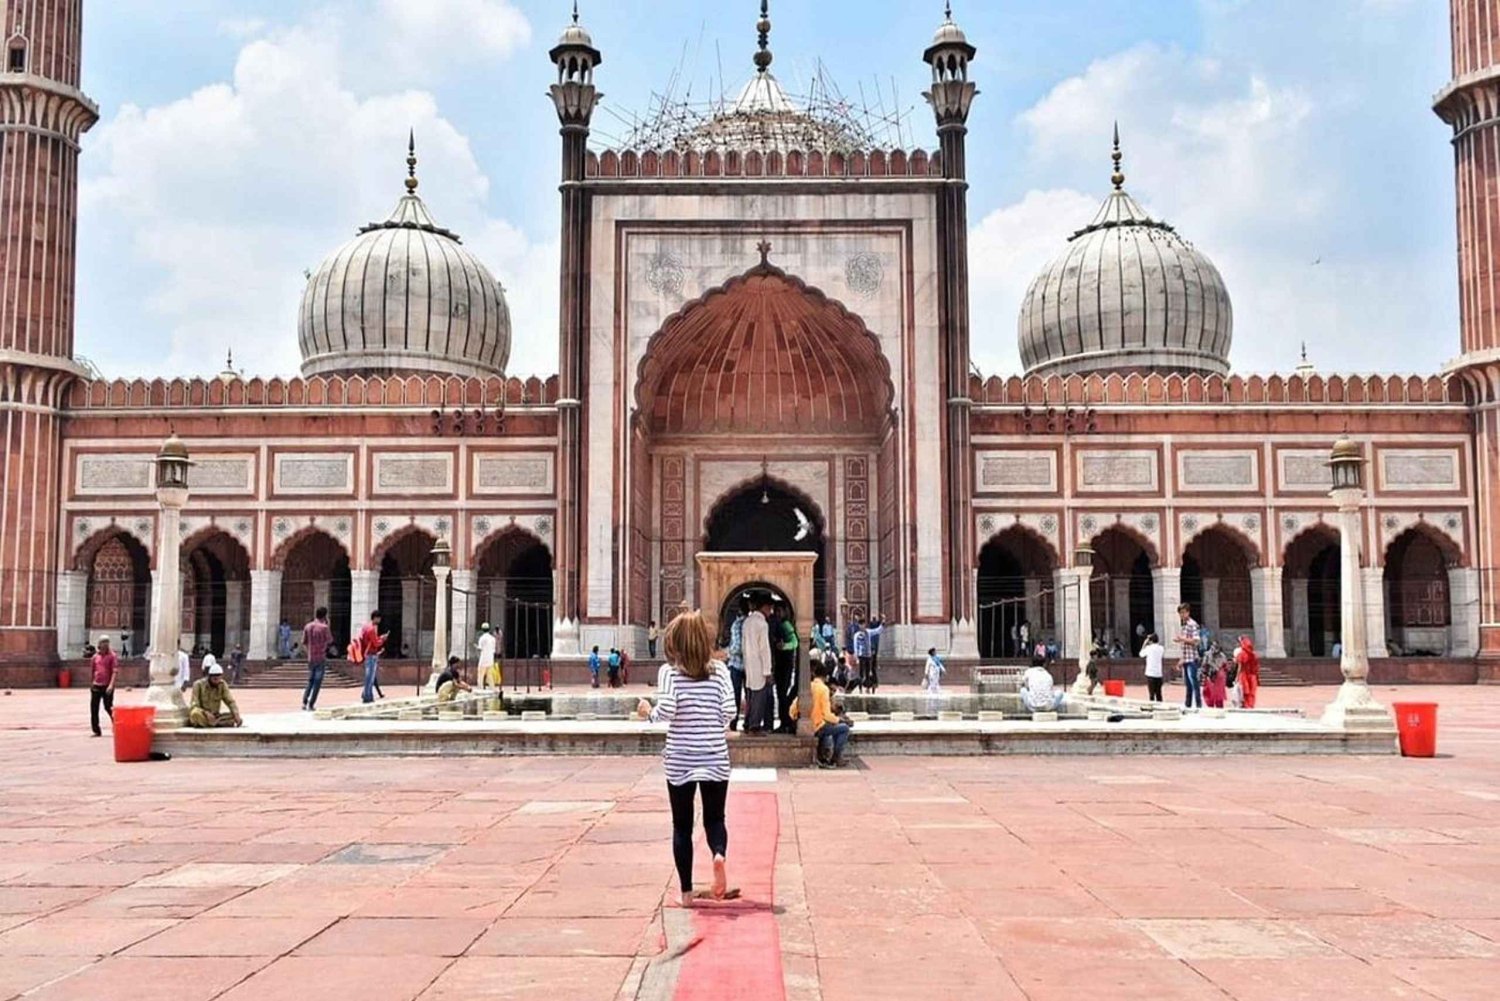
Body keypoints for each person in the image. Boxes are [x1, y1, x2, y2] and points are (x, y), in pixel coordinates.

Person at [635, 610, 738, 905]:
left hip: (680, 757)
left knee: (682, 826)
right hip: (714, 755)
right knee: (715, 818)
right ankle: (718, 854)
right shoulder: (720, 671)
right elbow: (730, 711)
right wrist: (711, 728)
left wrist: (648, 713)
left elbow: (666, 709)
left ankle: (686, 893)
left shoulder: (669, 672)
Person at [742, 593, 775, 734]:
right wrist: (767, 671)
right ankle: (754, 726)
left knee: (751, 696)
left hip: (749, 664)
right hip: (760, 666)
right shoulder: (762, 624)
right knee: (759, 697)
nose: (771, 612)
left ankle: (748, 722)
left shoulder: (747, 622)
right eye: (770, 608)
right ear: (765, 607)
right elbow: (764, 650)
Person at [811, 659, 852, 768]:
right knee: (844, 728)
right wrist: (841, 720)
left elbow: (793, 709)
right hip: (818, 725)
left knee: (833, 727)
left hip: (808, 724)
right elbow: (827, 715)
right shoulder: (823, 689)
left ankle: (828, 755)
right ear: (825, 677)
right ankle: (836, 757)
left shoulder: (808, 686)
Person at [187, 661, 242, 728]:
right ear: (209, 677)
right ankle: (216, 723)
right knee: (194, 713)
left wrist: (236, 714)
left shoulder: (222, 684)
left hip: (215, 716)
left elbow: (230, 701)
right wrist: (206, 713)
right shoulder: (198, 685)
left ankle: (211, 723)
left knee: (233, 716)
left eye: (218, 678)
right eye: (214, 679)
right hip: (203, 714)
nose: (216, 681)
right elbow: (194, 705)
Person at [301, 606, 333, 711]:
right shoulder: (324, 628)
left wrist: (309, 652)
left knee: (310, 680)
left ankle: (304, 701)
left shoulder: (308, 626)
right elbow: (330, 641)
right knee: (317, 682)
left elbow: (304, 642)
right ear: (325, 616)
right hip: (320, 657)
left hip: (311, 657)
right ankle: (311, 703)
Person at [774, 605, 799, 734]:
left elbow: (795, 642)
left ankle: (785, 722)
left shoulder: (786, 625)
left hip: (785, 665)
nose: (777, 613)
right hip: (782, 664)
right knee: (781, 694)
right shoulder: (780, 624)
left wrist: (783, 646)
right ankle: (785, 721)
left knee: (782, 694)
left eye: (779, 610)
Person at [353, 610, 387, 704]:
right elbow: (376, 644)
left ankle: (366, 694)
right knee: (370, 677)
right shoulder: (371, 629)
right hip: (371, 655)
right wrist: (382, 639)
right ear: (375, 618)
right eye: (379, 618)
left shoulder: (365, 627)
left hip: (366, 653)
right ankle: (368, 696)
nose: (379, 620)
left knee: (369, 676)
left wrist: (378, 638)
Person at [1174, 603, 1203, 709]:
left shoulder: (1192, 624)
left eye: (1183, 612)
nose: (1181, 615)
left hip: (1192, 658)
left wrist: (1182, 639)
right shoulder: (1184, 625)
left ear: (1188, 612)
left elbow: (1196, 641)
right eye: (1180, 613)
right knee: (1188, 683)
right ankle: (1188, 703)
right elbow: (1185, 645)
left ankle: (1198, 704)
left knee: (1194, 681)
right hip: (1186, 657)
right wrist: (1181, 660)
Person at [88, 635, 117, 737]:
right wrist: (91, 683)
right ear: (99, 644)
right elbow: (92, 671)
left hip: (107, 686)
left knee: (108, 707)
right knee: (94, 708)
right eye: (103, 642)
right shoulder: (95, 657)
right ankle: (96, 730)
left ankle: (117, 725)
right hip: (96, 685)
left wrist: (111, 685)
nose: (105, 645)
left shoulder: (112, 656)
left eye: (107, 642)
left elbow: (114, 671)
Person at [726, 600, 747, 730]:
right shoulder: (750, 622)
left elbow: (736, 647)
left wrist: (727, 652)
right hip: (749, 665)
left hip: (736, 664)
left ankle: (734, 722)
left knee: (735, 694)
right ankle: (749, 722)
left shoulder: (738, 623)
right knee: (750, 694)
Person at [1235, 635, 1261, 709]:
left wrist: (1236, 676)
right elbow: (1257, 667)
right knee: (1252, 690)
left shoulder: (1242, 654)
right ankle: (1251, 704)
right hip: (1253, 675)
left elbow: (1239, 666)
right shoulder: (1254, 655)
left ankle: (1246, 704)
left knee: (1245, 690)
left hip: (1244, 674)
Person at [1141, 632, 1166, 702]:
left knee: (1151, 694)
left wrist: (1144, 643)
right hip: (1158, 673)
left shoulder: (1148, 648)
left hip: (1150, 673)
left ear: (1150, 641)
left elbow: (1141, 654)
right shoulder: (1161, 648)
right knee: (1159, 694)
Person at [476, 622, 499, 688]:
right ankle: (492, 688)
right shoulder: (492, 639)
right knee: (490, 677)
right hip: (490, 659)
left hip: (483, 659)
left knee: (480, 676)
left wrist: (476, 647)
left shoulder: (482, 638)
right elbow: (493, 649)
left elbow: (480, 648)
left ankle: (480, 688)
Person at [866, 615, 884, 693]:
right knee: (870, 670)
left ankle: (871, 686)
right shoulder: (867, 632)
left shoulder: (869, 632)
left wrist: (883, 620)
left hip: (870, 653)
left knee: (871, 669)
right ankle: (870, 686)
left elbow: (879, 629)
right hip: (868, 653)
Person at [852, 619, 871, 691]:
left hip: (868, 655)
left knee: (868, 672)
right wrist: (856, 657)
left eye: (863, 624)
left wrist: (883, 623)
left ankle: (868, 688)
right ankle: (860, 688)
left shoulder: (868, 632)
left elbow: (877, 631)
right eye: (861, 624)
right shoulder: (857, 635)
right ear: (859, 625)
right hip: (861, 655)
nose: (862, 626)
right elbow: (855, 646)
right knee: (861, 672)